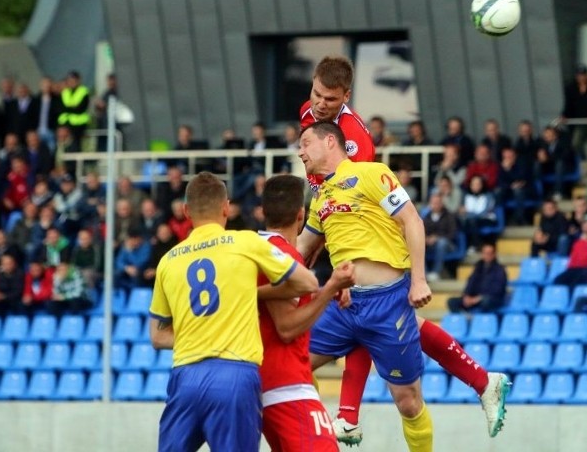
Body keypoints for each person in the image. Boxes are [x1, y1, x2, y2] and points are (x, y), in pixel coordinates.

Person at [299, 60, 505, 445]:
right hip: (340, 230)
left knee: (406, 395)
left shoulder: (358, 147)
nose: (320, 104)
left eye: (329, 99)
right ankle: (482, 380)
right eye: (315, 95)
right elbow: (323, 212)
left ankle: (347, 415)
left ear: (346, 97)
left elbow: (363, 209)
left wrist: (412, 277)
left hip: (374, 234)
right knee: (292, 362)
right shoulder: (310, 120)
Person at [148, 171, 318, 452]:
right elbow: (306, 282)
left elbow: (157, 336)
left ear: (187, 211)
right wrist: (248, 296)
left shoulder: (168, 260)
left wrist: (200, 333)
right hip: (235, 374)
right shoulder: (245, 243)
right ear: (226, 207)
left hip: (185, 376)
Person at [257, 175, 355, 452]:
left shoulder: (257, 248)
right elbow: (286, 327)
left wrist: (325, 290)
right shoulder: (281, 255)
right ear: (302, 215)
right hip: (285, 385)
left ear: (263, 211)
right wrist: (331, 288)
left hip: (268, 383)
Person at [447, 242, 507, 313]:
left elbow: (497, 290)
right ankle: (465, 317)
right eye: (484, 253)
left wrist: (479, 298)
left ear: (494, 254)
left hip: (491, 299)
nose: (486, 256)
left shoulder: (499, 269)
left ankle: (479, 320)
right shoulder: (478, 267)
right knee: (452, 301)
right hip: (474, 298)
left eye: (489, 253)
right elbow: (471, 282)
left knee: (486, 302)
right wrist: (467, 295)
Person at [554, 214, 587, 287]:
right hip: (574, 269)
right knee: (558, 280)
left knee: (580, 279)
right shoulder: (577, 242)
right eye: (585, 224)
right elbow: (573, 258)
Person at [423, 192, 459, 282]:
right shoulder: (426, 217)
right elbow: (422, 232)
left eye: (437, 203)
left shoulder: (449, 216)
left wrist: (437, 238)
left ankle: (436, 272)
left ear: (442, 203)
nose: (435, 205)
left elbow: (452, 234)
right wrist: (426, 239)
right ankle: (424, 273)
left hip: (448, 244)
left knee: (441, 242)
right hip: (431, 245)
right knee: (418, 244)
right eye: (433, 203)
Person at [561, 63, 587, 159]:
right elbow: (568, 103)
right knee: (576, 143)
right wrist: (564, 115)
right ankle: (583, 159)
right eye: (579, 75)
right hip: (578, 120)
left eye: (583, 75)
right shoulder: (571, 87)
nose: (581, 77)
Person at [57, 70, 91, 147]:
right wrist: (73, 107)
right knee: (63, 143)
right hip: (65, 123)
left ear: (78, 81)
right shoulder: (65, 92)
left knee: (76, 144)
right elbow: (61, 108)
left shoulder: (83, 91)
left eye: (73, 80)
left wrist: (69, 108)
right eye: (69, 80)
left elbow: (80, 109)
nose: (71, 82)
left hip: (78, 124)